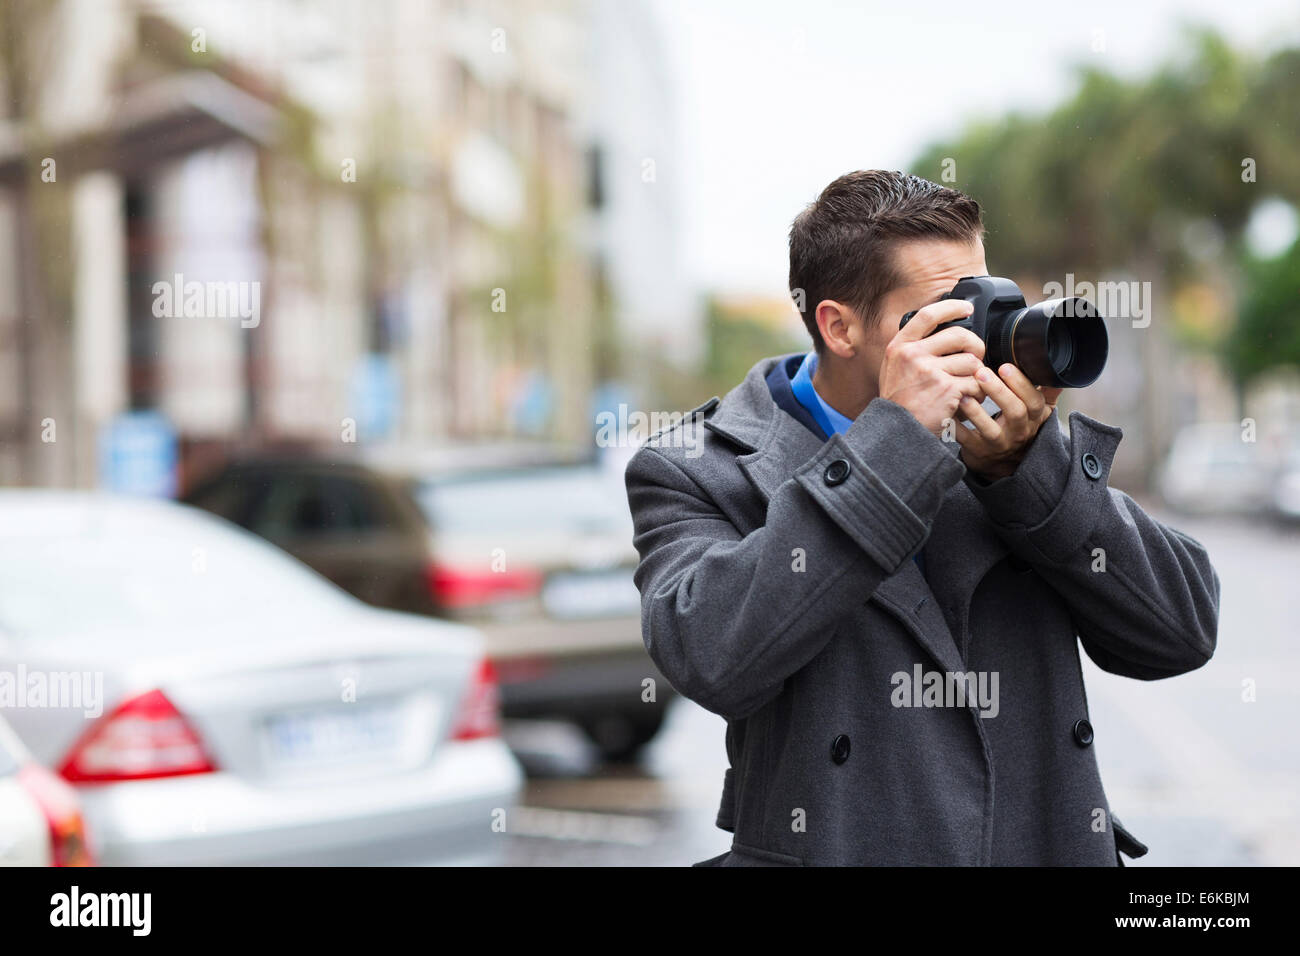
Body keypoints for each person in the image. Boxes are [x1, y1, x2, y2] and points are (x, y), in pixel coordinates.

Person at [623, 170, 1220, 866]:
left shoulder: (1007, 443)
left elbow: (1181, 634)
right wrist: (895, 447)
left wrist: (1033, 476)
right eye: (950, 314)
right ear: (839, 326)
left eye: (991, 300)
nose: (986, 335)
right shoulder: (702, 465)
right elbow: (712, 659)